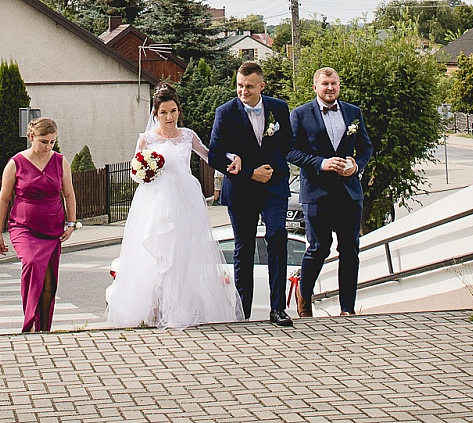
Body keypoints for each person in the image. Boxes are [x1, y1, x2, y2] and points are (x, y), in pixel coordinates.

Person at [107, 84, 243, 329]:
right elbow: (134, 172)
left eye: (173, 111)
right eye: (163, 112)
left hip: (185, 202)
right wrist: (146, 171)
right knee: (157, 255)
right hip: (156, 204)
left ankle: (177, 309)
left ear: (179, 110)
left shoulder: (188, 135)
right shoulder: (147, 138)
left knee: (181, 256)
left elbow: (208, 156)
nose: (169, 117)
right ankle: (153, 309)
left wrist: (232, 158)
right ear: (155, 114)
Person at [207, 61, 295, 325]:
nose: (243, 91)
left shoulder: (279, 108)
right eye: (240, 86)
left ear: (261, 86)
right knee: (244, 248)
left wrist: (271, 166)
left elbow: (288, 143)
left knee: (277, 236)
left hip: (273, 186)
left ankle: (277, 309)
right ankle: (242, 312)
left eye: (249, 87)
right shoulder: (225, 113)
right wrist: (249, 172)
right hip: (242, 188)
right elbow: (214, 155)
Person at [288, 66, 374, 317]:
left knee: (350, 249)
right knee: (319, 248)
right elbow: (290, 151)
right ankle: (304, 296)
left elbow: (366, 147)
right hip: (317, 193)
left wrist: (356, 165)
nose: (330, 88)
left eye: (334, 83)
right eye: (325, 84)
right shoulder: (300, 114)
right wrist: (321, 163)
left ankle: (347, 309)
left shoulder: (353, 112)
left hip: (349, 193)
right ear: (315, 87)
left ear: (339, 86)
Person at [0, 117, 78, 332]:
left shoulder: (60, 161)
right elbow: (4, 199)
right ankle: (30, 322)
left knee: (49, 283)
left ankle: (43, 328)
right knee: (31, 263)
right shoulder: (15, 163)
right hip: (24, 228)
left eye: (52, 142)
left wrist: (71, 223)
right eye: (44, 141)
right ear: (31, 137)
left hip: (52, 230)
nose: (48, 146)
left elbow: (69, 194)